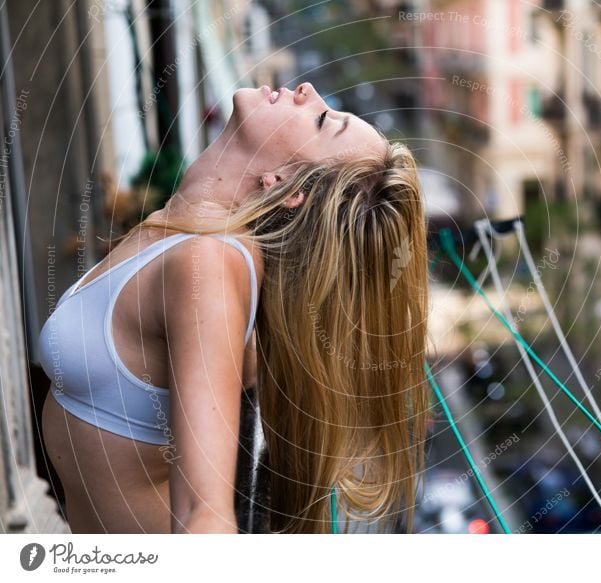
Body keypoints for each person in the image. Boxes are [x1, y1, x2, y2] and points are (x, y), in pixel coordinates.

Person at [39, 82, 431, 534]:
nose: (309, 90)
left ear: (288, 187)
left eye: (323, 120)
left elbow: (203, 515)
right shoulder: (186, 235)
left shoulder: (206, 264)